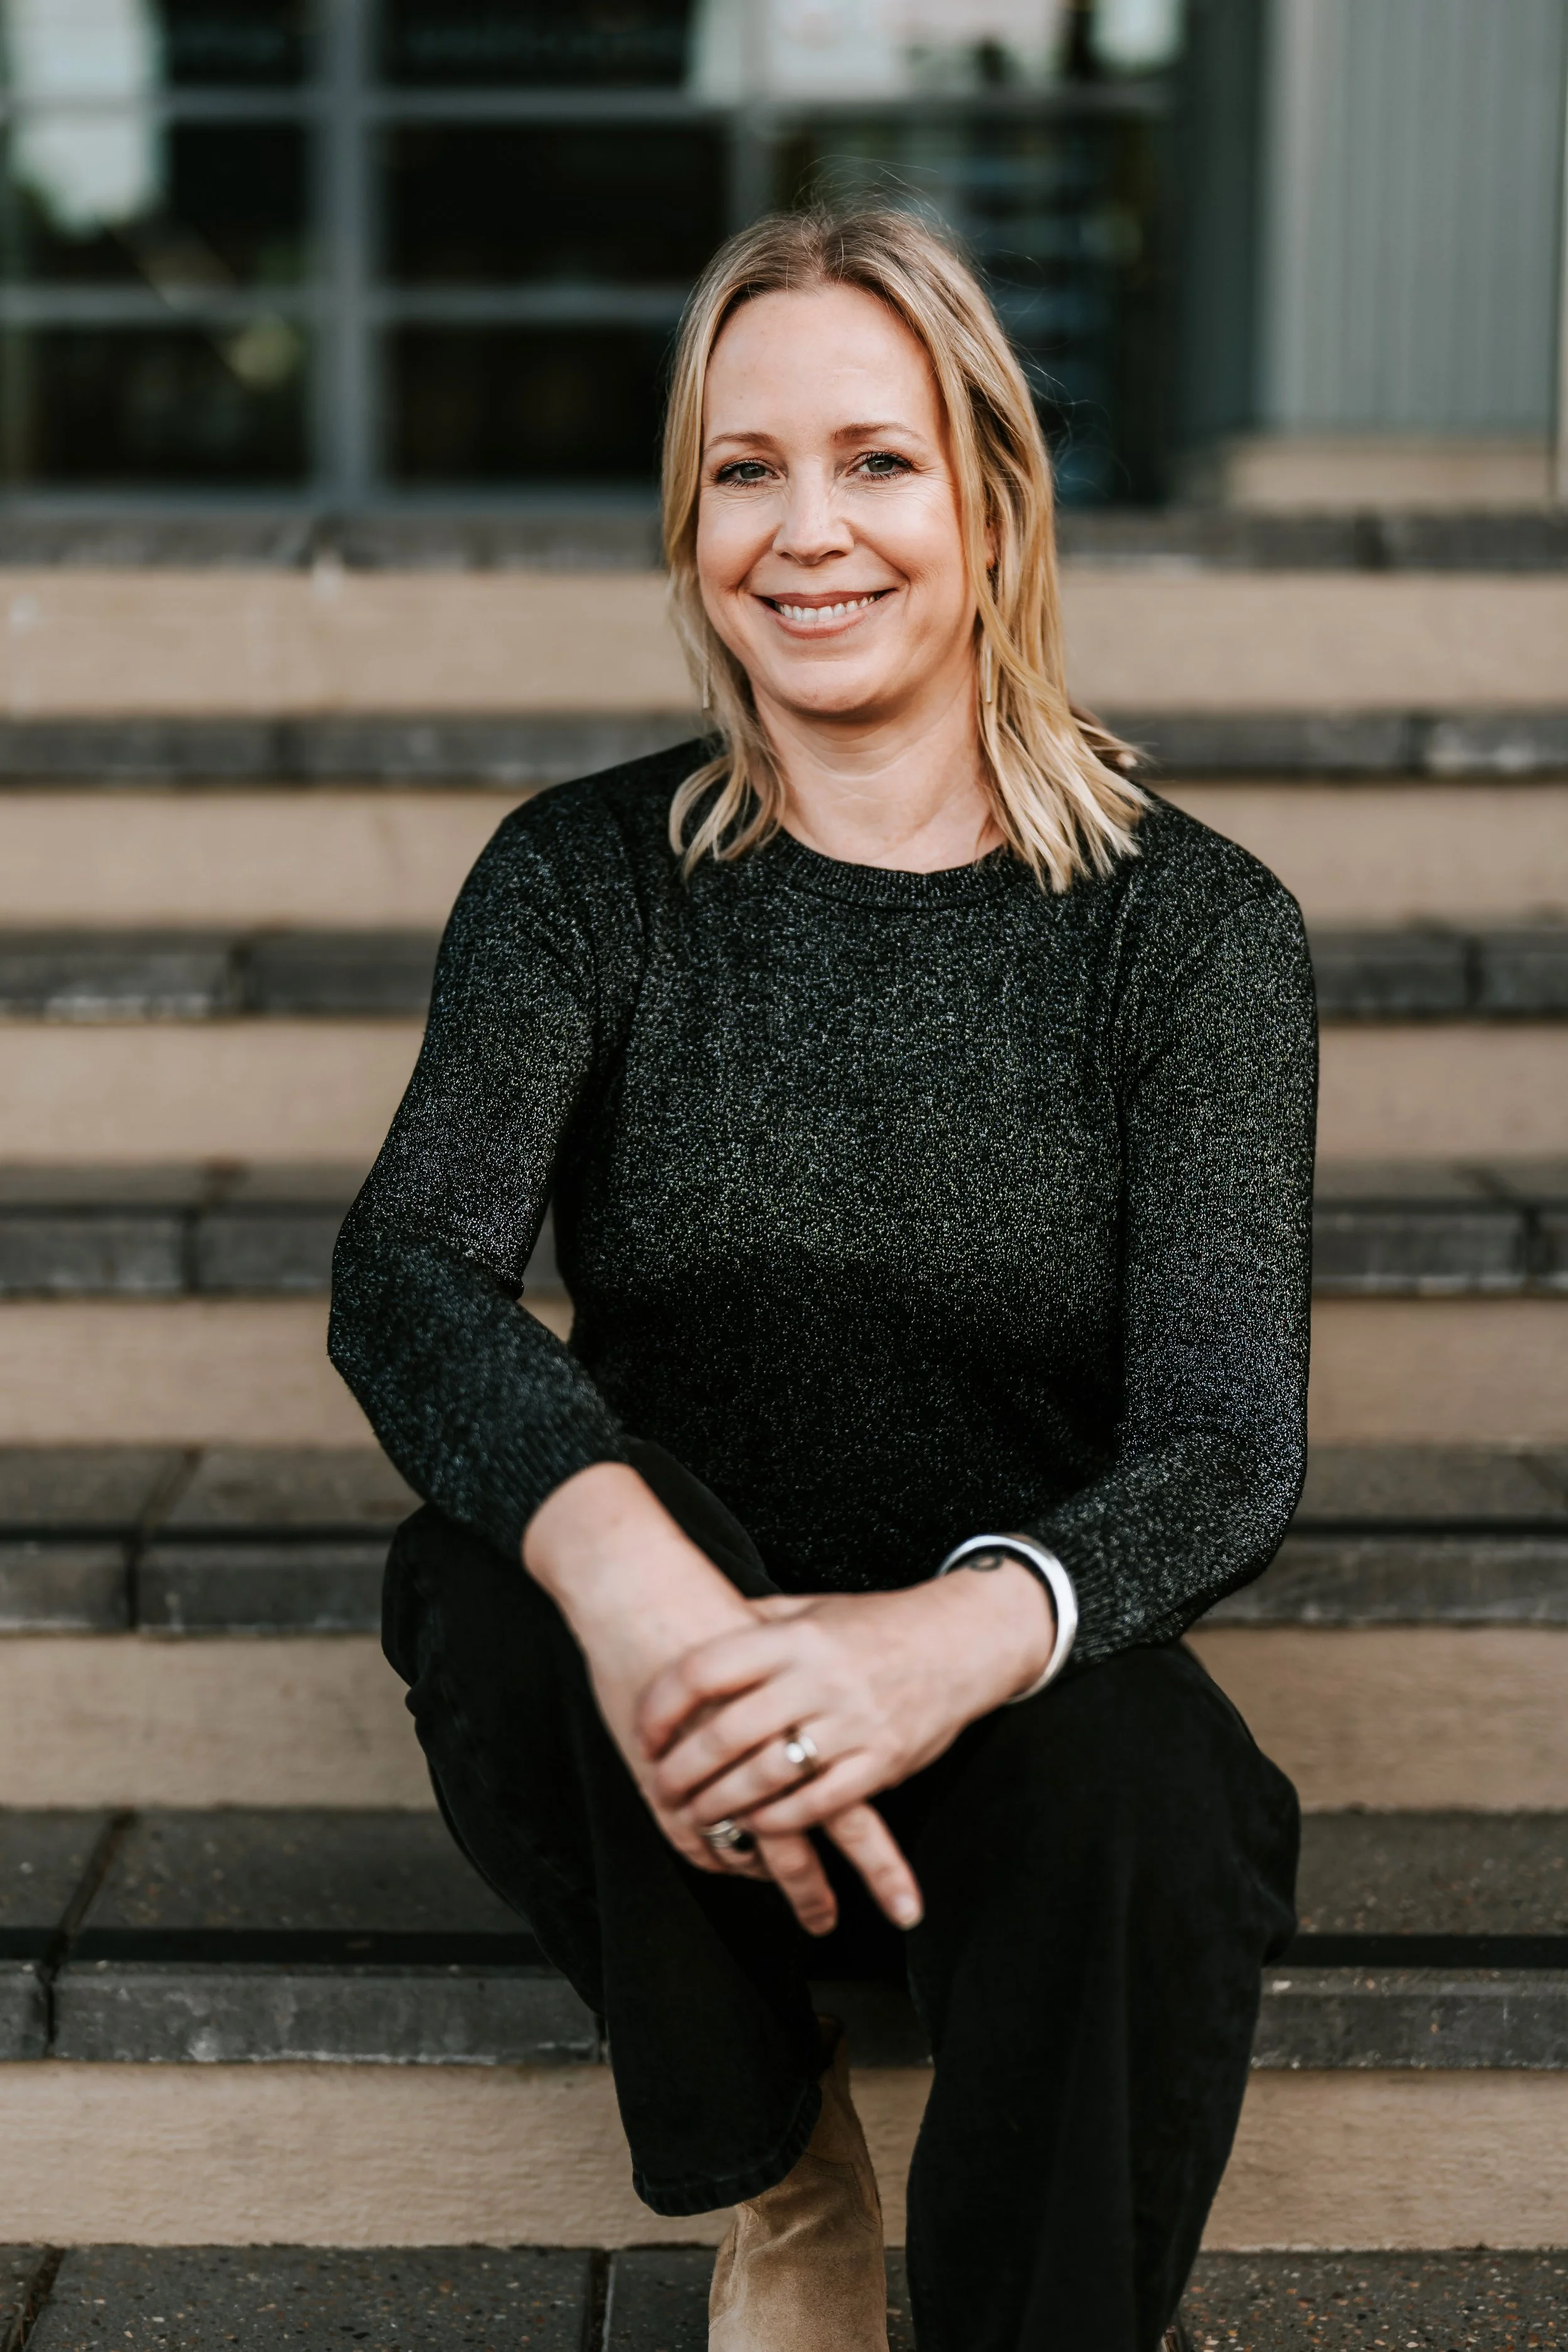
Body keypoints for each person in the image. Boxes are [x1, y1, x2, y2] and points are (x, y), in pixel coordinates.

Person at [329, 206, 1313, 2352]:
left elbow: (1230, 1436)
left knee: (1161, 1798)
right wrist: (640, 1582)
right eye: (743, 468)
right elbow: (407, 1269)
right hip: (658, 1718)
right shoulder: (583, 876)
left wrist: (952, 1638)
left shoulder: (1190, 931)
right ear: (688, 521)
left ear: (988, 495)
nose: (809, 532)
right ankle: (781, 2169)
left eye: (873, 460)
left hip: (994, 1685)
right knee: (487, 1586)